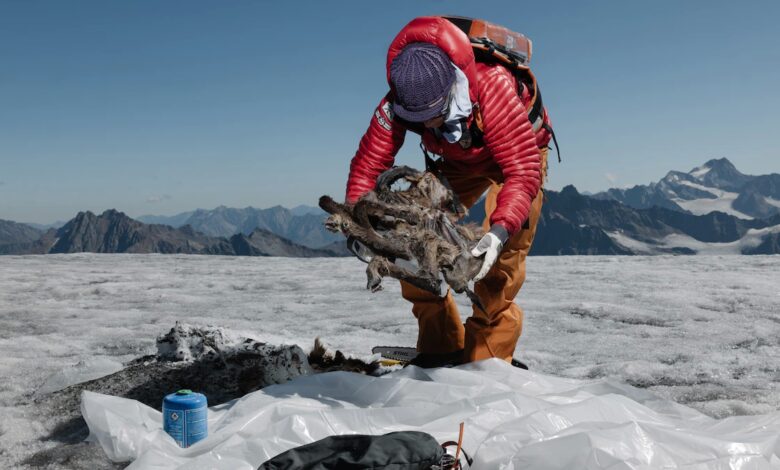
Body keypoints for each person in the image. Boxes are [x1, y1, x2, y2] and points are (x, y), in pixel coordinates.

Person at [345, 16, 552, 366]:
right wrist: (359, 224)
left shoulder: (493, 88)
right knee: (410, 240)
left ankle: (487, 358)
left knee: (497, 265)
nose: (427, 124)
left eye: (435, 113)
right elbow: (368, 164)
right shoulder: (396, 100)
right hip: (456, 163)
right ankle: (439, 346)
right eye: (418, 117)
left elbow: (522, 171)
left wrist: (499, 233)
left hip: (517, 160)